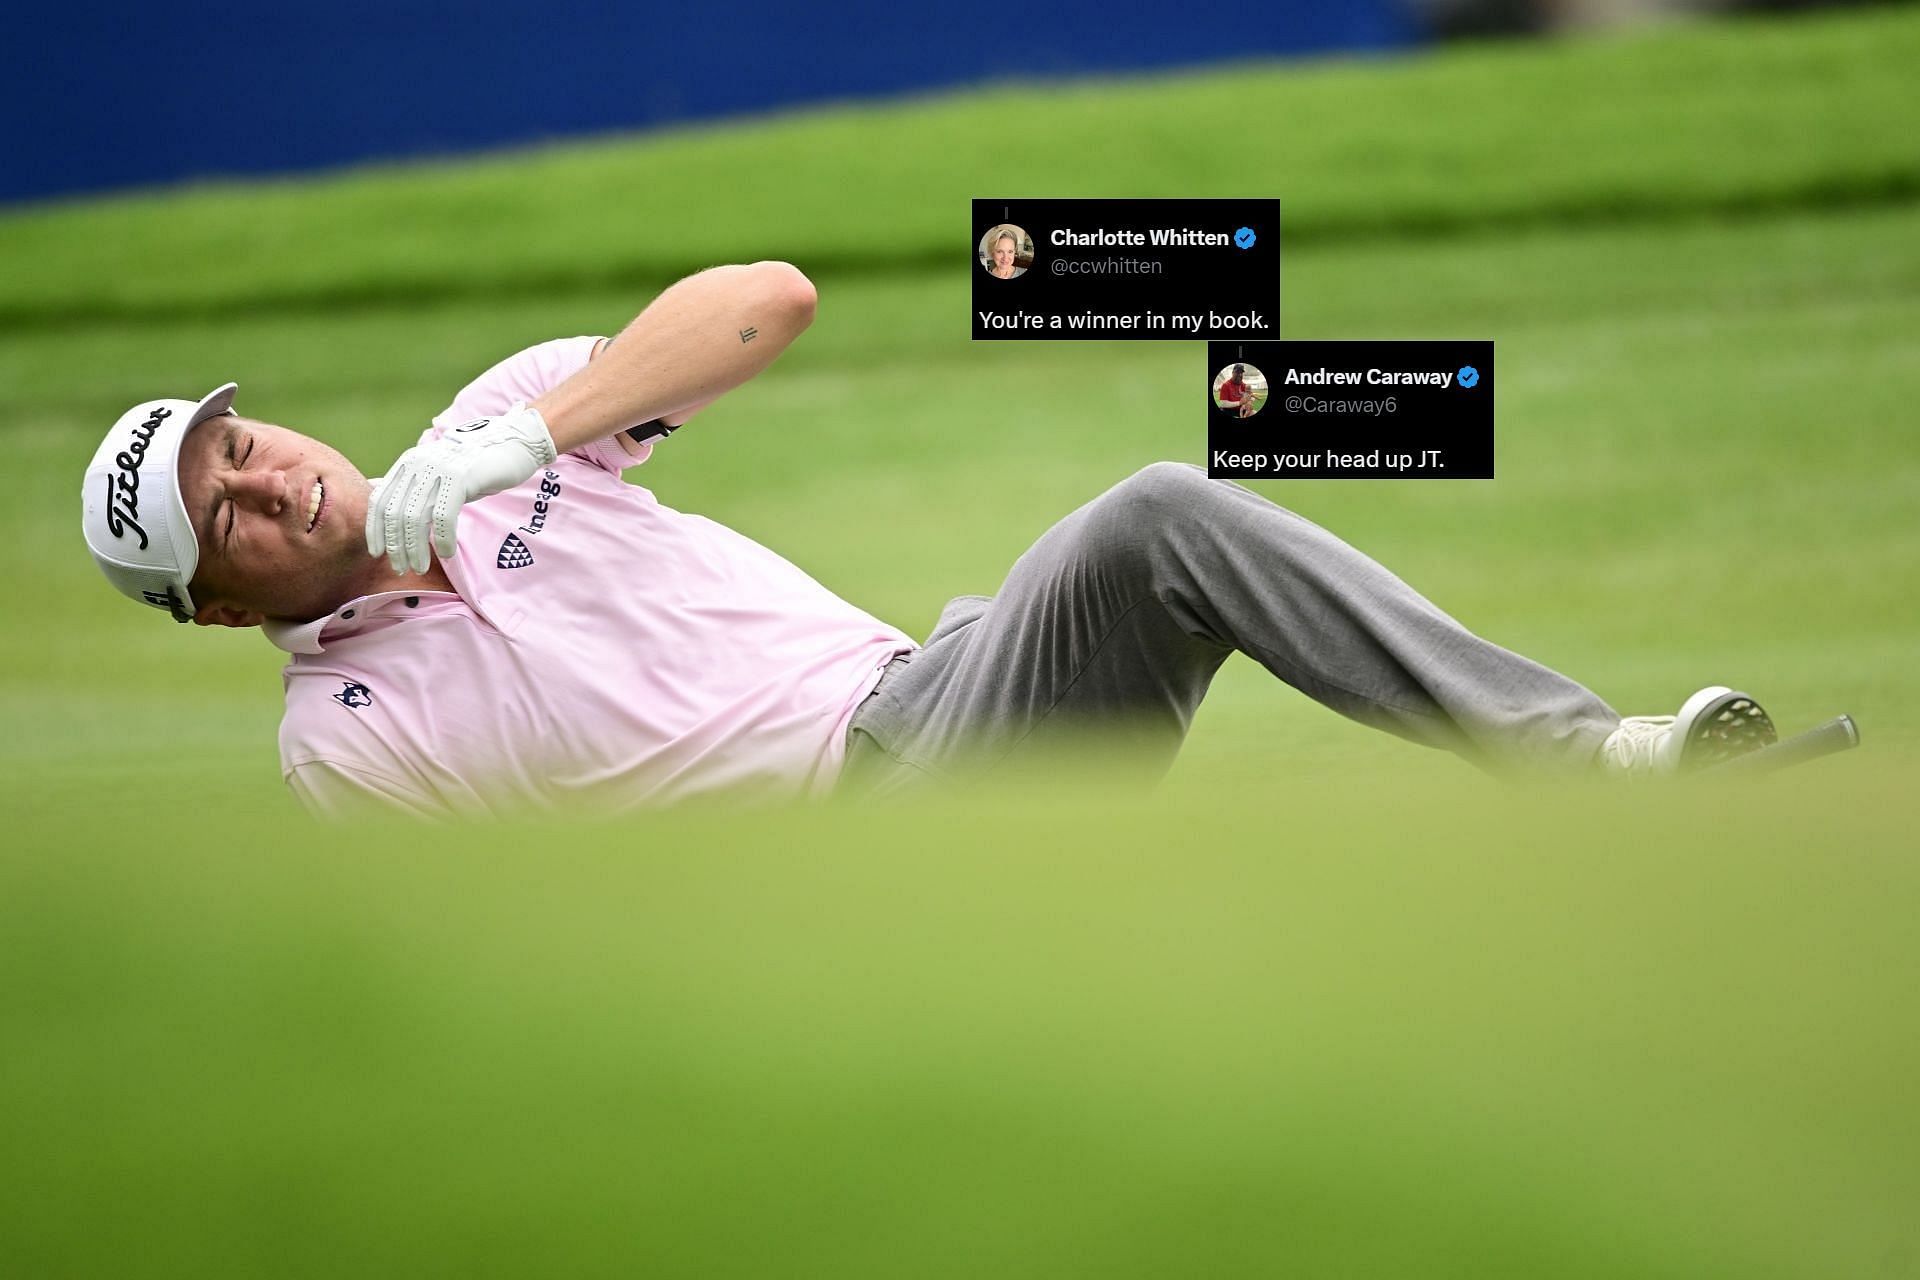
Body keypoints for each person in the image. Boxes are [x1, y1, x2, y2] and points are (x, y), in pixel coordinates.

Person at [80, 261, 1779, 818]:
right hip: (858, 815)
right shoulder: (339, 741)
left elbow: (769, 300)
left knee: (1138, 534)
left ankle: (1597, 759)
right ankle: (1594, 765)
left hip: (946, 684)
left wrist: (534, 432)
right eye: (218, 512)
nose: (262, 480)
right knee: (1154, 517)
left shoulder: (501, 436)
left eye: (243, 442)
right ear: (220, 611)